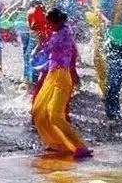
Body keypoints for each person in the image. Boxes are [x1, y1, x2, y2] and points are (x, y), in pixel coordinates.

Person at [31, 8, 90, 157]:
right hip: (54, 75)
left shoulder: (62, 34)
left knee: (55, 115)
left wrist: (39, 42)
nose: (48, 25)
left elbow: (46, 49)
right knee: (41, 110)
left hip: (61, 77)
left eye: (49, 22)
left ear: (55, 21)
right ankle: (60, 143)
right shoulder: (61, 31)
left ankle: (80, 146)